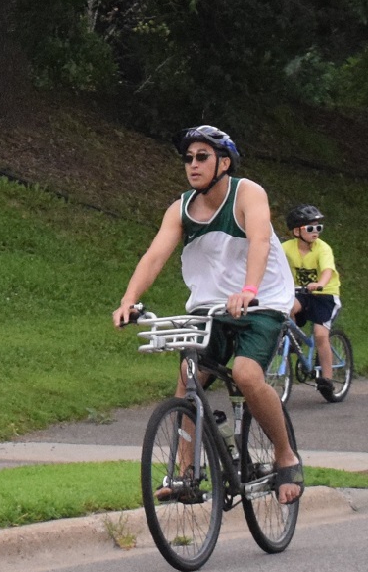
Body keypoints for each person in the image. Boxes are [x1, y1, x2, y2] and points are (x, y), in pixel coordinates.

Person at [112, 125, 303, 504]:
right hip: (211, 306)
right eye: (188, 158)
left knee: (247, 374)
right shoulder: (180, 208)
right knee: (187, 376)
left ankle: (286, 457)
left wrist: (249, 291)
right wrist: (129, 300)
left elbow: (261, 242)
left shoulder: (248, 193)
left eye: (202, 157)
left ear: (224, 162)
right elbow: (154, 256)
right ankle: (186, 474)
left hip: (261, 301)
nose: (193, 165)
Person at [282, 204, 342, 400]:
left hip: (325, 295)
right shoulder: (287, 248)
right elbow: (271, 262)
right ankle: (294, 340)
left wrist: (321, 283)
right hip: (302, 293)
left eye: (318, 227)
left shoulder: (322, 249)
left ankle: (327, 379)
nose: (315, 232)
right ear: (296, 231)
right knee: (286, 308)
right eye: (310, 228)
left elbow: (327, 271)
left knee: (320, 335)